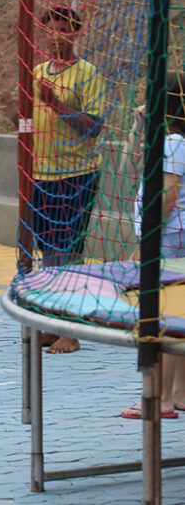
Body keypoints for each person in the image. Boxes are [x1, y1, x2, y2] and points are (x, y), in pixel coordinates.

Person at [29, 5, 105, 354]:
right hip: (40, 174)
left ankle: (71, 332)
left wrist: (56, 104)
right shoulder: (38, 71)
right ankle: (51, 321)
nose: (56, 37)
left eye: (63, 31)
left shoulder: (88, 74)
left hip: (77, 174)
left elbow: (93, 129)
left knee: (69, 251)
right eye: (51, 31)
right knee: (47, 253)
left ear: (75, 34)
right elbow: (29, 118)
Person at [120, 73, 185, 419]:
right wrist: (139, 121)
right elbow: (131, 158)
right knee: (180, 317)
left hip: (169, 241)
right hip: (179, 239)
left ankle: (158, 399)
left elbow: (167, 195)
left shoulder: (174, 144)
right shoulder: (177, 141)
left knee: (159, 318)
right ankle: (178, 393)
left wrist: (147, 242)